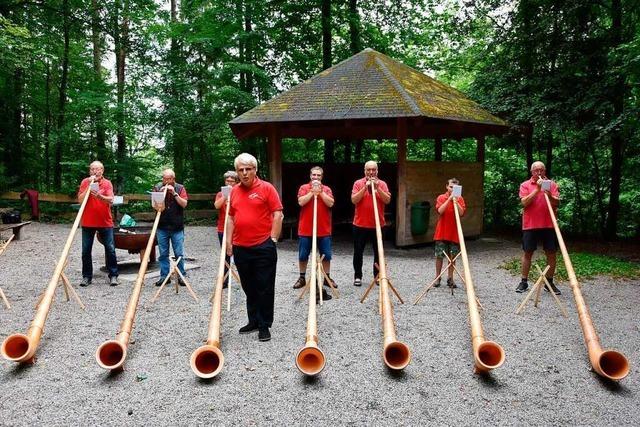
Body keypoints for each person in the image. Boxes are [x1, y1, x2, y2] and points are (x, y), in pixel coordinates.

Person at [226, 153, 283, 342]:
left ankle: (264, 324)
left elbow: (278, 214)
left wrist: (273, 239)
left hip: (263, 246)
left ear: (255, 170)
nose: (244, 173)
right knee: (248, 286)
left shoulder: (267, 188)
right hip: (241, 247)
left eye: (248, 169)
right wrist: (228, 242)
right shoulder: (234, 191)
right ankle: (253, 320)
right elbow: (231, 217)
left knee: (264, 287)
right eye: (240, 170)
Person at [516, 161, 561, 295]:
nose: (539, 173)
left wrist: (548, 194)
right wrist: (537, 190)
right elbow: (524, 202)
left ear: (545, 171)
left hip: (549, 224)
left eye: (541, 170)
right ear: (532, 172)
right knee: (527, 252)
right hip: (530, 225)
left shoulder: (552, 184)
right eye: (536, 170)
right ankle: (523, 282)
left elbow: (557, 202)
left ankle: (549, 282)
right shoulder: (525, 185)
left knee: (551, 253)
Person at [293, 166, 335, 301]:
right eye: (314, 175)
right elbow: (301, 202)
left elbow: (330, 203)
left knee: (326, 255)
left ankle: (326, 278)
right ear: (310, 176)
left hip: (323, 229)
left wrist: (320, 192)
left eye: (318, 175)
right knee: (303, 254)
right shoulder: (304, 188)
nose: (316, 177)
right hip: (306, 229)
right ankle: (302, 277)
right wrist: (312, 192)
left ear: (322, 177)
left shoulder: (327, 189)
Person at [77, 161, 119, 286]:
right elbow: (80, 200)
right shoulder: (85, 182)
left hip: (105, 222)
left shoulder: (107, 183)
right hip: (88, 222)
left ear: (102, 170)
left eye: (97, 169)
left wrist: (100, 197)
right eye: (92, 169)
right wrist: (89, 187)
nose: (95, 171)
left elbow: (111, 200)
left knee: (110, 249)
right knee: (85, 251)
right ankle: (87, 277)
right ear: (90, 171)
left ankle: (113, 275)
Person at [350, 160, 392, 286]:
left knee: (378, 252)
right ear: (365, 171)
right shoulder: (358, 183)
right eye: (368, 170)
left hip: (378, 224)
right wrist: (365, 187)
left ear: (377, 171)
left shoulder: (382, 184)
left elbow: (387, 200)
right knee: (358, 251)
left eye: (373, 169)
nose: (371, 172)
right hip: (360, 224)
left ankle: (377, 276)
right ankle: (358, 276)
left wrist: (377, 188)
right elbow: (354, 200)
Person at [153, 169, 189, 286]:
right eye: (164, 179)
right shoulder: (158, 187)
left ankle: (181, 276)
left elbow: (184, 204)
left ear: (173, 179)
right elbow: (155, 206)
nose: (166, 181)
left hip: (177, 227)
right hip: (162, 226)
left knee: (179, 253)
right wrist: (160, 197)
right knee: (163, 254)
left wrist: (174, 193)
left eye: (169, 179)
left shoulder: (180, 188)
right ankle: (164, 276)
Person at [432, 178, 466, 288]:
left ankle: (450, 278)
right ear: (447, 186)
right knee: (439, 256)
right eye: (451, 187)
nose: (452, 189)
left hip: (454, 233)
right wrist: (449, 199)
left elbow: (461, 213)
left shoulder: (460, 199)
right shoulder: (441, 197)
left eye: (455, 188)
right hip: (441, 232)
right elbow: (440, 211)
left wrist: (456, 201)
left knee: (452, 257)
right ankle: (437, 277)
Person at [214, 171, 239, 289]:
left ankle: (244, 277)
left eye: (232, 181)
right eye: (227, 181)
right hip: (222, 228)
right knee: (225, 254)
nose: (229, 183)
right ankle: (225, 280)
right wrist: (225, 196)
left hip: (237, 228)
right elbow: (217, 206)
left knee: (239, 253)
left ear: (236, 182)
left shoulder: (239, 193)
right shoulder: (220, 194)